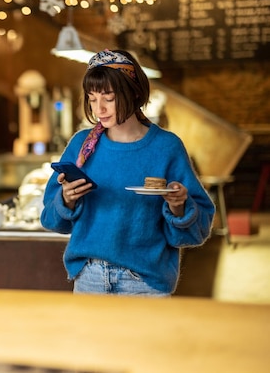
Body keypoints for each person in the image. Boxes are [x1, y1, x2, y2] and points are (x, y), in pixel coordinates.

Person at [40, 49, 215, 296]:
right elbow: (50, 218)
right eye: (92, 99)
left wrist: (178, 206)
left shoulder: (166, 147)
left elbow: (197, 232)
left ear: (133, 92)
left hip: (144, 282)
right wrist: (66, 199)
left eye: (108, 98)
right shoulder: (81, 146)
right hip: (89, 277)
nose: (99, 108)